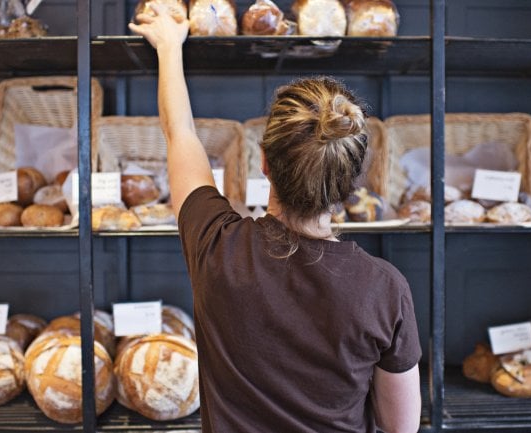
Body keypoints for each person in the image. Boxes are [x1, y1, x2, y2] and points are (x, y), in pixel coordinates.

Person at [129, 6, 422, 433]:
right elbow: (401, 429)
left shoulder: (217, 247)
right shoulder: (385, 288)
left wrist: (170, 48)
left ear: (263, 161)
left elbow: (181, 134)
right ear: (350, 182)